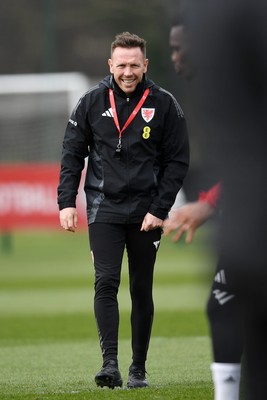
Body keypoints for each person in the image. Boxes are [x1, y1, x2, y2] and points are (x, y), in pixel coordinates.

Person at [57, 31, 189, 389]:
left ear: (145, 65)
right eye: (121, 65)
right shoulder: (90, 102)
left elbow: (177, 161)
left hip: (148, 213)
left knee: (141, 288)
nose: (127, 72)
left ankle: (138, 370)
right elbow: (71, 155)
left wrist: (160, 209)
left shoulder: (164, 104)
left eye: (134, 65)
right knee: (105, 282)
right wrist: (66, 202)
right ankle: (110, 365)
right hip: (104, 208)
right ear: (110, 65)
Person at [166, 21, 244, 400]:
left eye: (180, 48)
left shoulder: (235, 86)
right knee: (225, 304)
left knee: (224, 304)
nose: (174, 57)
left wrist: (208, 204)